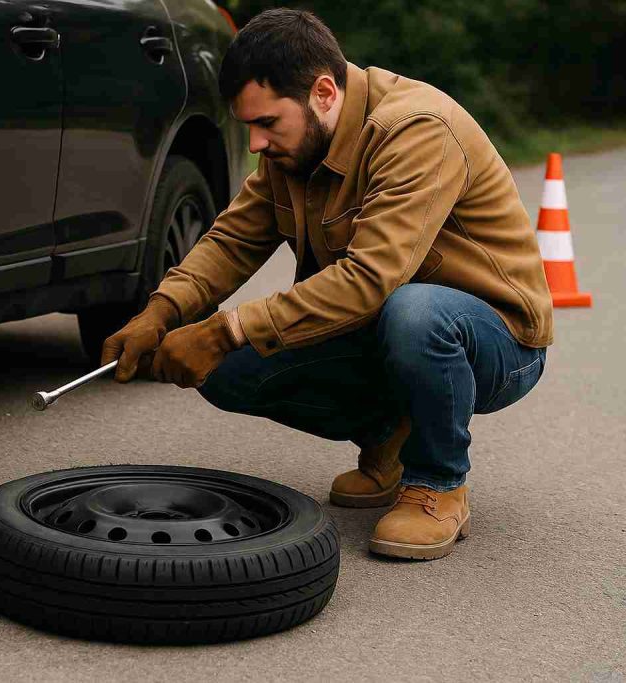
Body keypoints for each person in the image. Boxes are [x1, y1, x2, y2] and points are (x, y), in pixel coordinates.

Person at [100, 8, 553, 561]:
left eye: (267, 123)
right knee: (220, 371)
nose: (257, 143)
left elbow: (369, 280)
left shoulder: (416, 129)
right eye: (249, 127)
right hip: (386, 328)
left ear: (321, 92)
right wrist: (162, 312)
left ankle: (438, 483)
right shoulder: (296, 146)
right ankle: (393, 436)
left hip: (496, 340)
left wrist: (226, 328)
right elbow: (232, 240)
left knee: (414, 312)